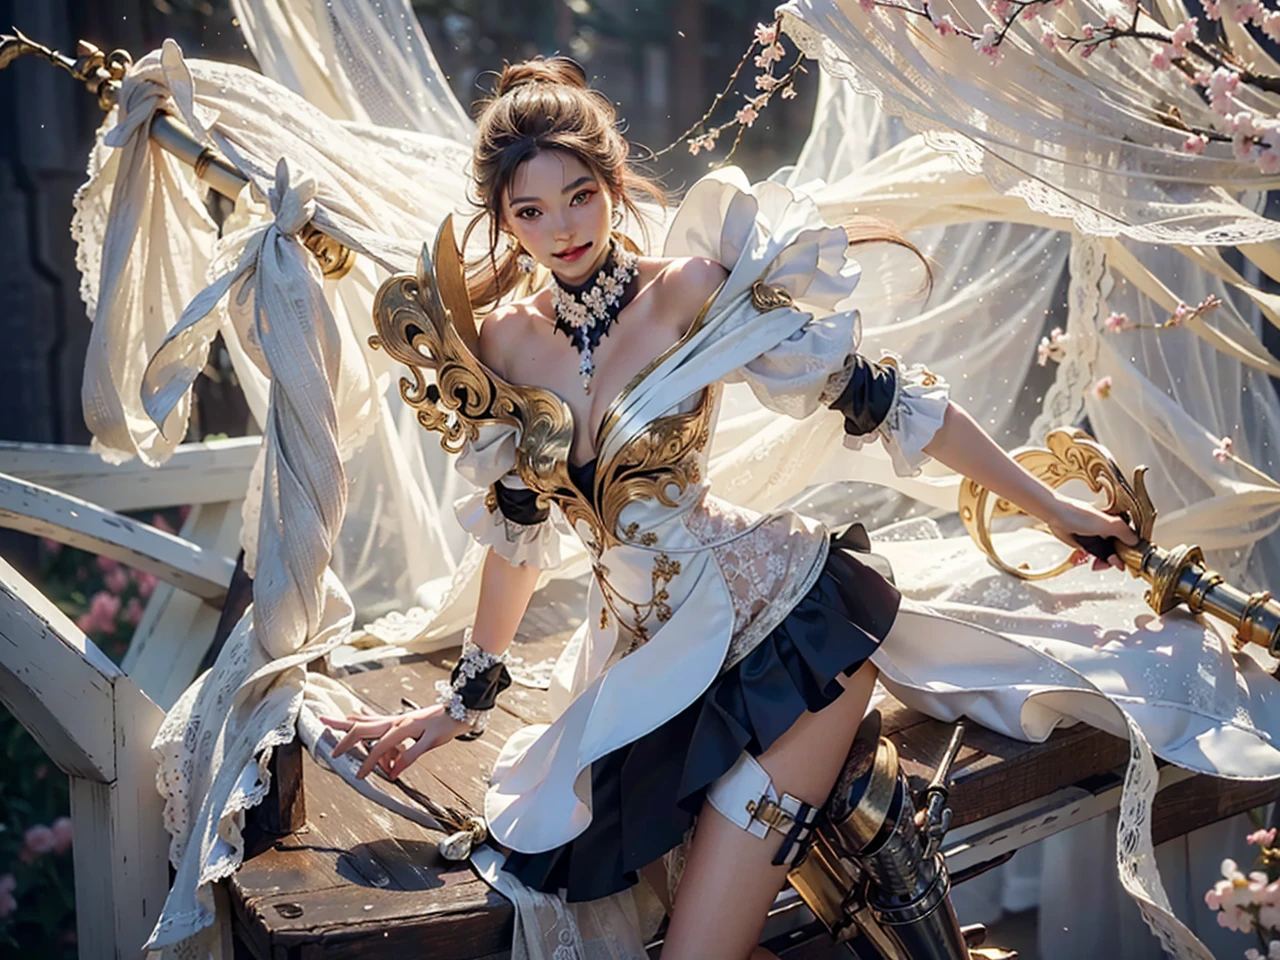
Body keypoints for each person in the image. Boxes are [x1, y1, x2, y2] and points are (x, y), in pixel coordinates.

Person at [320, 56, 1134, 960]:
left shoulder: (690, 291)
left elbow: (886, 399)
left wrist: (1050, 505)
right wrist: (463, 701)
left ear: (613, 182)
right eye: (531, 211)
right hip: (643, 663)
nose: (562, 228)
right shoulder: (508, 343)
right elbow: (521, 529)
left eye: (580, 195)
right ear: (503, 222)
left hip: (787, 640)